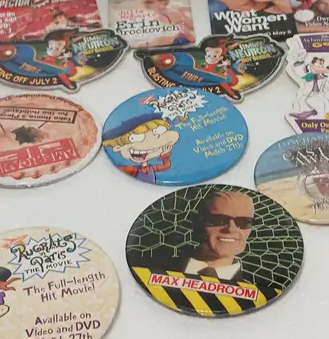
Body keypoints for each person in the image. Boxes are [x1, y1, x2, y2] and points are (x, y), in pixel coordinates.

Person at [139, 189, 277, 295]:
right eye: (219, 220)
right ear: (198, 222)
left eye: (243, 222)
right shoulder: (151, 269)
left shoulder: (262, 289)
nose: (231, 228)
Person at [102, 113, 180, 183]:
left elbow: (166, 166)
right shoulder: (130, 168)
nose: (149, 143)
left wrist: (164, 155)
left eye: (158, 133)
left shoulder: (151, 168)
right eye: (135, 138)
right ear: (117, 148)